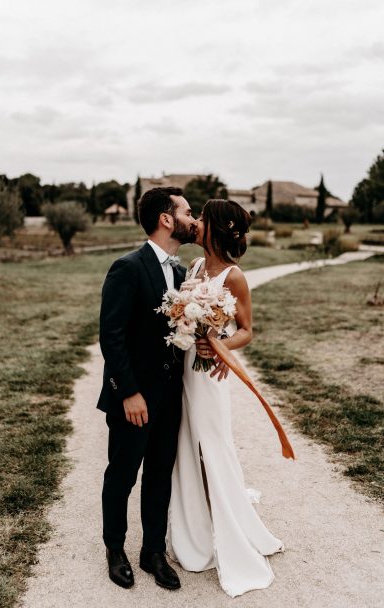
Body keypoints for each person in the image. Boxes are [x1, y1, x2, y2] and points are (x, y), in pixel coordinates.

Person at [167, 199, 284, 598]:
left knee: (213, 448)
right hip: (185, 370)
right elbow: (187, 315)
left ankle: (231, 533)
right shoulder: (196, 268)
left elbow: (247, 330)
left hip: (210, 377)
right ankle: (194, 536)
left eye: (201, 218)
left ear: (215, 227)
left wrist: (218, 346)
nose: (195, 223)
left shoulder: (235, 277)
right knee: (187, 447)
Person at [97, 187, 197, 590]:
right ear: (167, 219)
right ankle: (115, 548)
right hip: (133, 397)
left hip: (171, 396)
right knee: (122, 474)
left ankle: (152, 550)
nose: (194, 219)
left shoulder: (180, 272)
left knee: (159, 474)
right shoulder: (128, 267)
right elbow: (112, 336)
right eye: (188, 212)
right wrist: (128, 392)